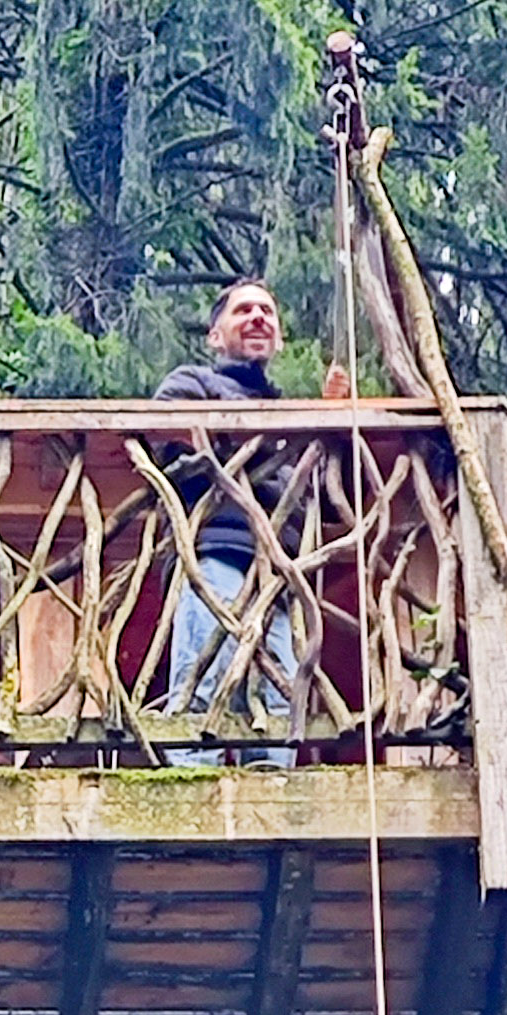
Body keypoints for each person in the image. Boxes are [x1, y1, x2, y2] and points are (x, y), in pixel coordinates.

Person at [154, 280, 350, 760]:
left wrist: (331, 425)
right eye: (244, 310)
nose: (259, 317)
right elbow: (170, 441)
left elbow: (325, 498)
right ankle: (187, 799)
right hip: (213, 555)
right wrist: (294, 430)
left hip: (277, 578)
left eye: (267, 310)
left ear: (278, 336)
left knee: (279, 700)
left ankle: (272, 812)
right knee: (202, 682)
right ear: (215, 336)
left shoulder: (287, 415)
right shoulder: (191, 384)